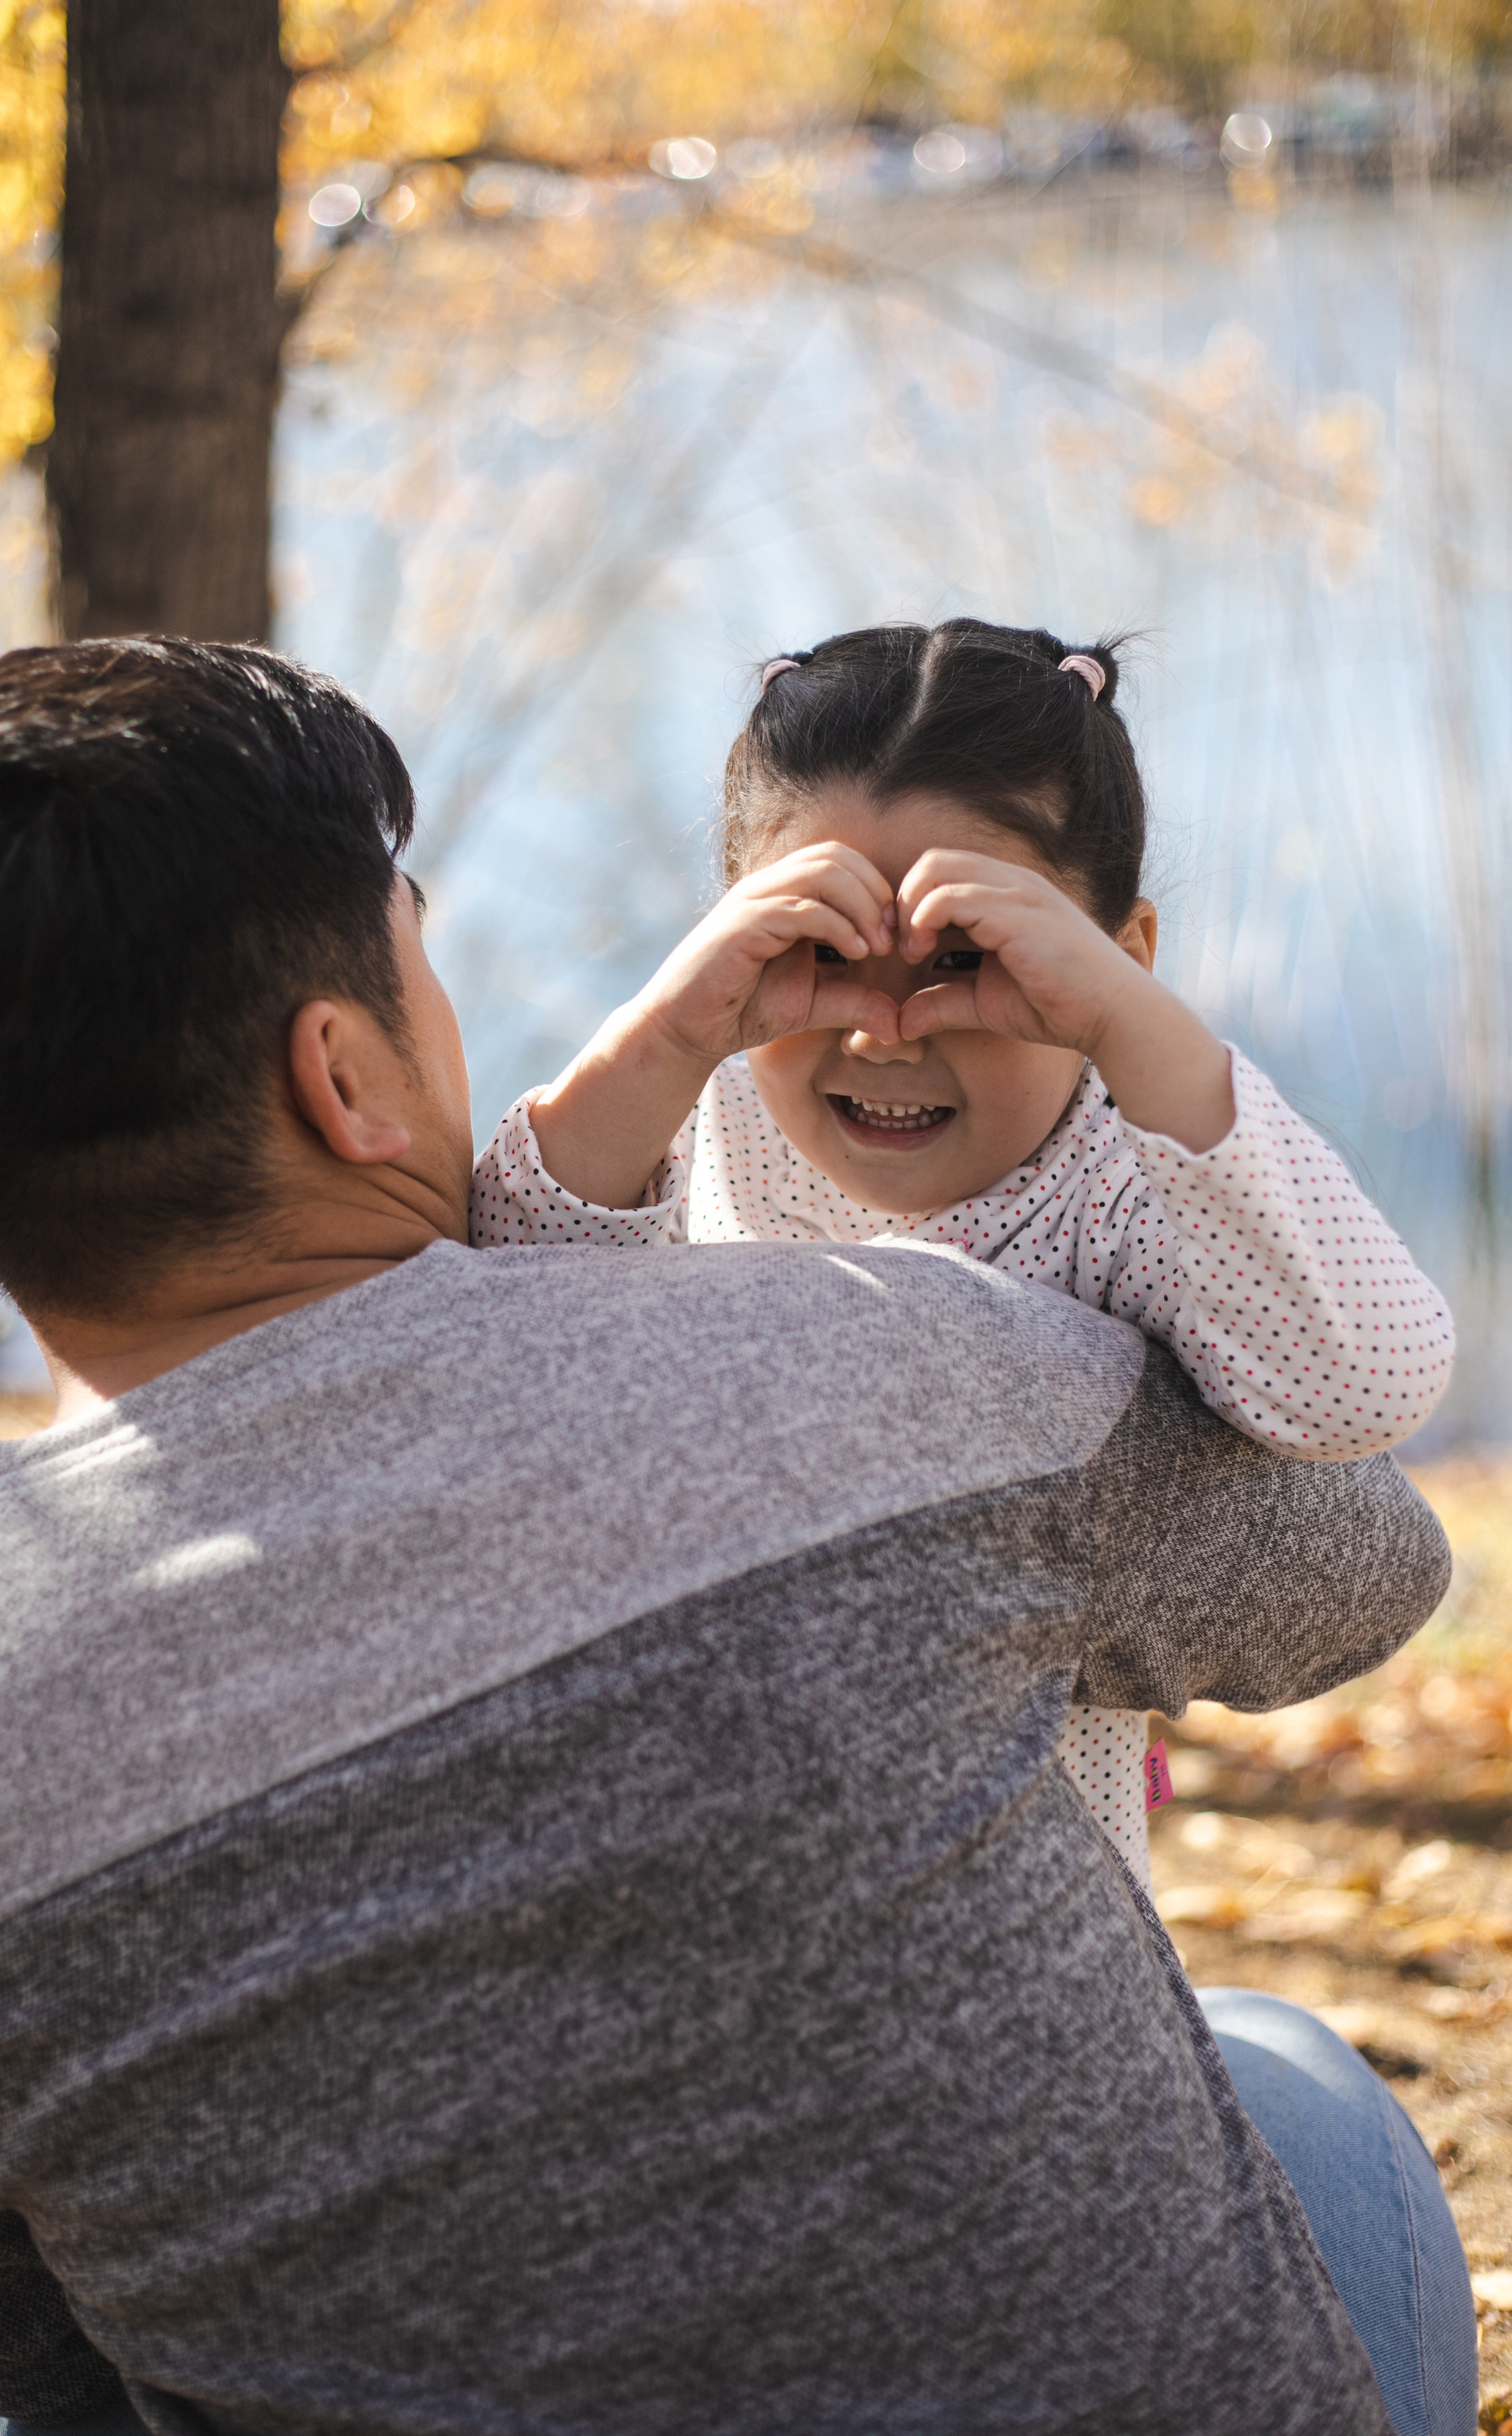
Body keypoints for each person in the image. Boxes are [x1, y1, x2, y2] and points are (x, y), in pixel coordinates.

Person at [0, 638, 1467, 2436]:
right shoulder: (931, 1357)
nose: (883, 1023)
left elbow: (52, 2360)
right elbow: (1372, 1565)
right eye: (420, 944)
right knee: (1283, 2068)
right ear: (345, 1078)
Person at [473, 620, 1456, 1880]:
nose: (884, 1032)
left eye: (967, 962)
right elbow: (493, 1320)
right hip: (678, 1863)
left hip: (1015, 1900)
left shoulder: (1121, 1182)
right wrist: (667, 1030)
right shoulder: (699, 1112)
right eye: (817, 955)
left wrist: (1128, 1026)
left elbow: (1358, 1386)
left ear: (1119, 957)